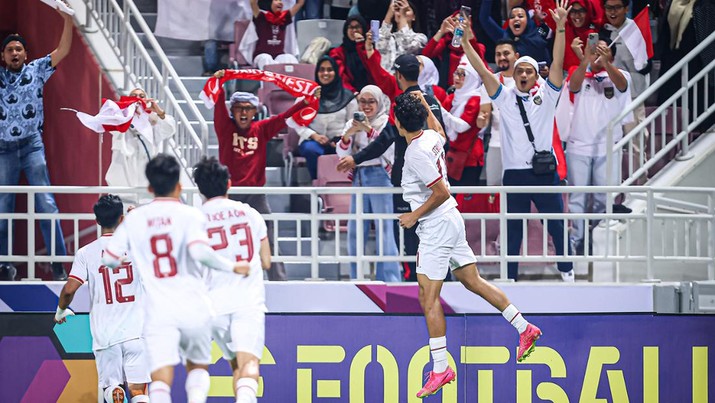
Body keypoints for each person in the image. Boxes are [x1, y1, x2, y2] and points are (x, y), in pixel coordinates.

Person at [393, 92, 541, 398]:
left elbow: (441, 192)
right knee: (471, 280)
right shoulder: (431, 136)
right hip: (452, 221)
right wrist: (424, 104)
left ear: (397, 123)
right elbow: (442, 134)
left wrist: (412, 216)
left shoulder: (415, 154)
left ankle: (439, 368)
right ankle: (524, 327)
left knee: (427, 297)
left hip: (436, 225)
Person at [102, 154, 249, 403]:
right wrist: (232, 266)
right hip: (193, 303)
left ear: (149, 188)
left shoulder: (136, 219)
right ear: (179, 186)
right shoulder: (192, 216)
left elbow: (110, 258)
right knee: (197, 367)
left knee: (160, 377)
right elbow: (203, 254)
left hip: (158, 309)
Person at [462, 1, 575, 281]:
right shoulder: (506, 97)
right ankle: (509, 277)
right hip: (514, 174)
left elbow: (558, 63)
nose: (524, 74)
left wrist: (561, 28)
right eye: (520, 71)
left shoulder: (548, 96)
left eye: (529, 71)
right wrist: (465, 42)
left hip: (544, 173)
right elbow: (485, 72)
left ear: (536, 76)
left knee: (557, 226)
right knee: (513, 228)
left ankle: (567, 271)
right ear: (514, 73)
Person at [337, 53, 445, 282]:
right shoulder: (432, 100)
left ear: (398, 75)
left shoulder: (403, 103)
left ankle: (409, 284)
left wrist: (356, 159)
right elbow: (442, 137)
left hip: (409, 176)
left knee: (405, 233)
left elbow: (384, 140)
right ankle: (438, 282)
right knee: (432, 233)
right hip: (434, 174)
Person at [213, 69, 318, 281]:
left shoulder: (261, 129)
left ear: (255, 111)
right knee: (229, 240)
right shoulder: (224, 127)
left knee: (268, 237)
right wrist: (220, 82)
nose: (244, 113)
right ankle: (227, 281)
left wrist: (305, 103)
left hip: (256, 196)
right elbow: (217, 105)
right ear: (232, 111)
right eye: (239, 108)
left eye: (249, 109)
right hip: (230, 195)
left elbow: (284, 117)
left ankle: (279, 281)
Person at [0, 7, 74, 281]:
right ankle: (4, 266)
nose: (15, 53)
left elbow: (63, 50)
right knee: (2, 209)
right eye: (10, 50)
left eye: (19, 49)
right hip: (4, 148)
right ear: (3, 56)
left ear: (26, 54)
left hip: (32, 146)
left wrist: (67, 19)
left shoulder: (36, 70)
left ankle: (57, 264)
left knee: (45, 202)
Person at [54, 195, 150, 403]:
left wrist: (61, 310)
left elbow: (69, 290)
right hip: (135, 331)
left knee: (111, 386)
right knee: (139, 391)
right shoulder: (136, 247)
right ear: (121, 218)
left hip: (105, 334)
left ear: (97, 221)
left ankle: (114, 392)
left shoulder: (86, 253)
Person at [194, 156, 271, 403]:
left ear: (200, 189)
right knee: (248, 366)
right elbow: (267, 261)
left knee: (236, 365)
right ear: (229, 183)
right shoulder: (250, 213)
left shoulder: (193, 220)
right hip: (247, 302)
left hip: (213, 307)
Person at [566, 35, 632, 255]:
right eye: (595, 50)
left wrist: (606, 64)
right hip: (578, 146)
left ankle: (597, 241)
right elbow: (573, 87)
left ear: (611, 54)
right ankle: (576, 242)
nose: (599, 54)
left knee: (603, 198)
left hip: (607, 147)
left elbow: (621, 86)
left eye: (604, 50)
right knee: (577, 199)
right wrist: (585, 59)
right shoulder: (580, 74)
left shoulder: (621, 75)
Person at [336, 85, 401, 282]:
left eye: (370, 101)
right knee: (356, 229)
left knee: (384, 229)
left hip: (380, 174)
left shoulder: (384, 123)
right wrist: (348, 135)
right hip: (359, 176)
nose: (366, 106)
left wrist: (367, 129)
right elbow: (342, 153)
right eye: (362, 101)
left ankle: (390, 279)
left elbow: (387, 151)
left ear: (379, 102)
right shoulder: (351, 123)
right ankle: (356, 277)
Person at [601, 0, 652, 175]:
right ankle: (615, 186)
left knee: (636, 141)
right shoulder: (603, 31)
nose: (612, 12)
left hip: (633, 96)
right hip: (608, 96)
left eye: (616, 8)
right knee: (610, 142)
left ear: (626, 9)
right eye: (608, 8)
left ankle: (640, 183)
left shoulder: (636, 29)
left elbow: (646, 65)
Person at [288, 56, 358, 180]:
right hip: (313, 141)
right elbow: (293, 120)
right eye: (322, 70)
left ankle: (341, 191)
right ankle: (318, 184)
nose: (325, 73)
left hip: (341, 142)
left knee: (345, 152)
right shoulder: (307, 95)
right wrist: (314, 135)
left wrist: (342, 138)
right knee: (311, 150)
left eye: (330, 69)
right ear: (316, 73)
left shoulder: (347, 97)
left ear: (336, 72)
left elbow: (352, 122)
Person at [105, 88, 176, 200]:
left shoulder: (153, 123)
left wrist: (159, 112)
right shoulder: (119, 119)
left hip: (146, 189)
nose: (138, 98)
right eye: (133, 95)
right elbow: (106, 121)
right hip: (121, 187)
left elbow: (169, 128)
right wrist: (123, 111)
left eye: (141, 96)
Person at [443, 57, 491, 187]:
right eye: (456, 73)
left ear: (472, 78)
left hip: (470, 158)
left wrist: (439, 110)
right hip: (452, 156)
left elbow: (462, 126)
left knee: (466, 201)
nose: (457, 77)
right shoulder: (452, 97)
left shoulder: (476, 99)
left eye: (462, 74)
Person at [421, 13, 488, 88]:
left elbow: (479, 60)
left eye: (461, 21)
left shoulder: (479, 46)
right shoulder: (445, 44)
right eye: (454, 20)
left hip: (471, 90)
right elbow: (425, 57)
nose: (457, 23)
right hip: (447, 90)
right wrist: (441, 31)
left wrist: (468, 32)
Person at [479, 1, 552, 69]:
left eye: (520, 16)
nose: (516, 19)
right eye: (512, 17)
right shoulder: (504, 37)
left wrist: (546, 71)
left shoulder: (538, 41)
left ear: (528, 21)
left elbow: (547, 65)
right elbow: (484, 18)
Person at [246, 0, 303, 70]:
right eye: (276, 0)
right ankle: (268, 81)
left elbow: (299, 3)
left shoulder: (283, 18)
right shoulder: (261, 17)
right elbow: (253, 3)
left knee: (289, 58)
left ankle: (291, 81)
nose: (280, 2)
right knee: (266, 58)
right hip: (260, 56)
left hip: (278, 56)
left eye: (280, 0)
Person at [375, 0, 428, 74]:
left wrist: (403, 16)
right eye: (397, 9)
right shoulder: (388, 36)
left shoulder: (421, 38)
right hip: (385, 80)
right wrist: (389, 13)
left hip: (407, 81)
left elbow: (406, 45)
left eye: (407, 10)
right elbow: (378, 45)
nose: (401, 12)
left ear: (414, 17)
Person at [329, 16, 374, 93]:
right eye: (350, 27)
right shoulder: (337, 53)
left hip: (372, 93)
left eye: (357, 27)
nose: (354, 30)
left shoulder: (370, 50)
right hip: (348, 95)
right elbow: (340, 77)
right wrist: (354, 93)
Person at [563, 0, 603, 71]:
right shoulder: (564, 28)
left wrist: (580, 56)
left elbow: (594, 68)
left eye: (581, 11)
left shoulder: (594, 33)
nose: (577, 15)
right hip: (565, 77)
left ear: (588, 11)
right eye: (573, 11)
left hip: (588, 77)